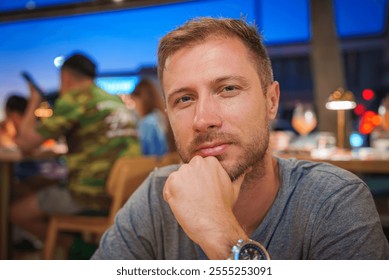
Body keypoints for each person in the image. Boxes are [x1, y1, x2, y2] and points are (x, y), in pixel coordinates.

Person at [92, 17, 389, 259]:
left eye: (228, 89)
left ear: (271, 101)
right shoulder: (155, 197)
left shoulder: (334, 202)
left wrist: (221, 236)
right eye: (184, 99)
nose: (203, 119)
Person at [11, 52, 140, 242]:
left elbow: (24, 143)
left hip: (90, 194)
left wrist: (34, 100)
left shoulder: (76, 98)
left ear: (65, 77)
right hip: (121, 193)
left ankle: (74, 251)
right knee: (35, 184)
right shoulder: (113, 100)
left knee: (16, 212)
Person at [131, 78, 173, 156]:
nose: (135, 108)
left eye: (135, 102)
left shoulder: (147, 123)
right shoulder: (162, 117)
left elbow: (145, 153)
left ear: (142, 100)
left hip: (152, 166)